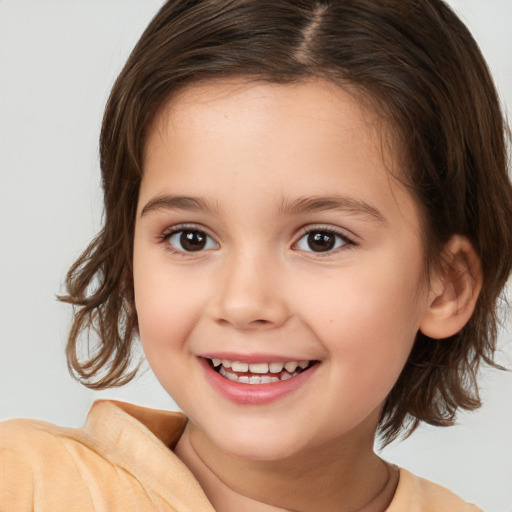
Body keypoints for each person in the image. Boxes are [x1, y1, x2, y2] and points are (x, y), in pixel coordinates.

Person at [1, 0, 512, 510]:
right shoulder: (25, 485)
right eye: (191, 238)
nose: (244, 303)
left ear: (447, 285)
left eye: (321, 240)